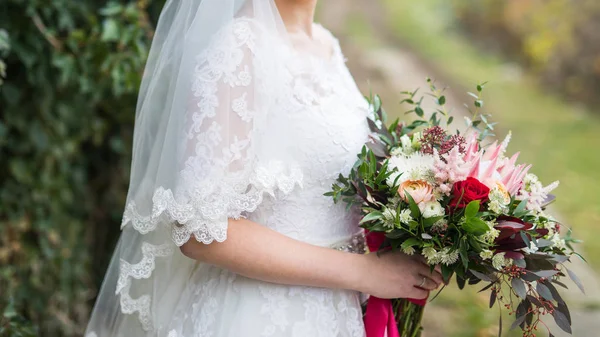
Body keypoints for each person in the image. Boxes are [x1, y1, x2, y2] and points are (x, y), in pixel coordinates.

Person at [85, 0, 443, 336]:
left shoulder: (326, 44)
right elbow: (201, 231)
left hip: (337, 312)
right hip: (257, 314)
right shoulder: (240, 50)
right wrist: (367, 272)